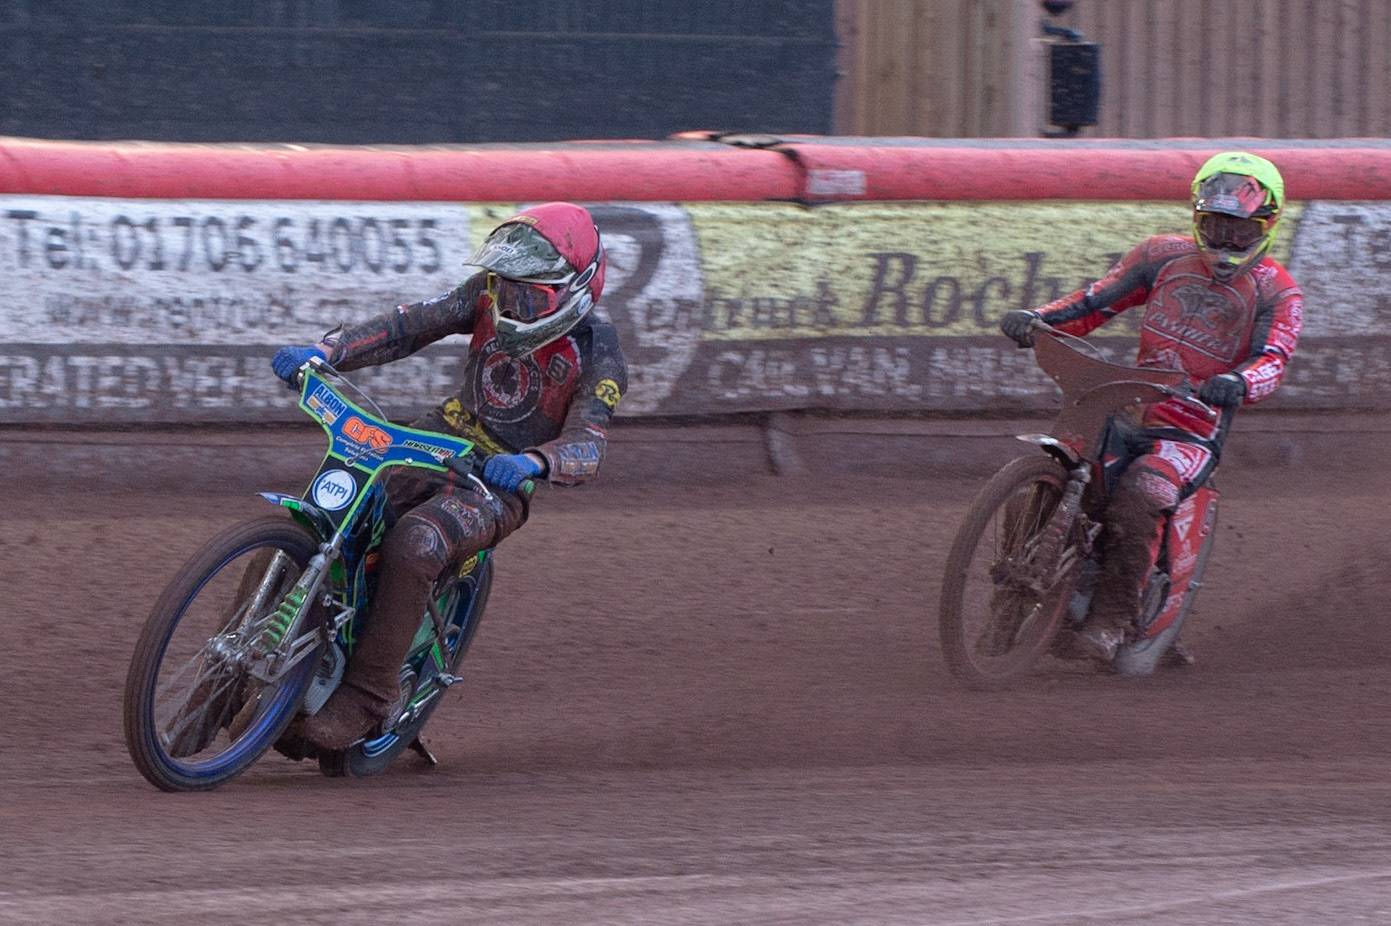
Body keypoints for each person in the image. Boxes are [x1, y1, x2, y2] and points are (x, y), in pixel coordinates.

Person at [269, 202, 627, 749]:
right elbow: (410, 324)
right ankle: (257, 639)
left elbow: (590, 444)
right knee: (328, 515)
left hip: (497, 480)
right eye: (507, 288)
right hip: (433, 440)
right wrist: (328, 351)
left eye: (532, 294)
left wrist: (534, 462)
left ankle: (369, 695)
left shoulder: (596, 352)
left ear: (576, 289)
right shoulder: (484, 294)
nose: (512, 301)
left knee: (417, 542)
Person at [999, 151, 1303, 662]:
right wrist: (1036, 319)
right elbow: (1092, 304)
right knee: (1051, 476)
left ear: (1267, 226)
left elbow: (1274, 361)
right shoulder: (1159, 256)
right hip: (1126, 404)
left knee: (1142, 493)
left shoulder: (1279, 292)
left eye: (1241, 231)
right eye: (1215, 225)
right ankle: (1015, 602)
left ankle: (1113, 620)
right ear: (1196, 217)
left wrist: (1237, 382)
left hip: (1192, 430)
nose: (1226, 241)